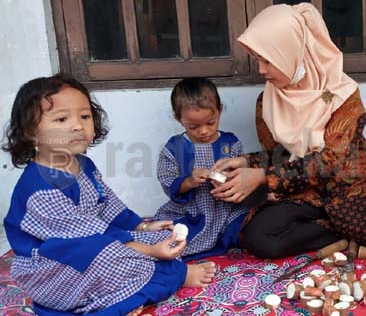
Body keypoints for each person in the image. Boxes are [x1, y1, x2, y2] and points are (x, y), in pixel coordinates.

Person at [209, 3, 366, 259]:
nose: (262, 70)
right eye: (257, 60)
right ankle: (351, 232)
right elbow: (281, 156)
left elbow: (330, 161)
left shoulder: (341, 94)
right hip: (305, 193)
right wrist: (246, 162)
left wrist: (263, 176)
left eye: (268, 60)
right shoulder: (267, 102)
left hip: (354, 188)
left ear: (294, 52)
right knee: (259, 237)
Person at [1, 74, 216, 315]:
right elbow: (89, 238)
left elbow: (109, 206)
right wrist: (150, 251)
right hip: (55, 266)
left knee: (158, 239)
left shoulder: (84, 164)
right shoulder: (39, 190)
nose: (77, 125)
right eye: (62, 118)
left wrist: (143, 227)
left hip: (91, 244)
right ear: (31, 132)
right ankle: (140, 293)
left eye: (84, 116)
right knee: (119, 257)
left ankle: (129, 295)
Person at [152, 77, 257, 260]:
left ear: (220, 111)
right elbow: (168, 181)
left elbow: (241, 176)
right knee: (168, 240)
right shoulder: (174, 148)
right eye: (194, 127)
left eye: (210, 122)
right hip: (192, 213)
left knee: (251, 231)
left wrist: (226, 180)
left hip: (227, 211)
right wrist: (189, 181)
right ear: (179, 119)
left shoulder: (230, 143)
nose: (204, 131)